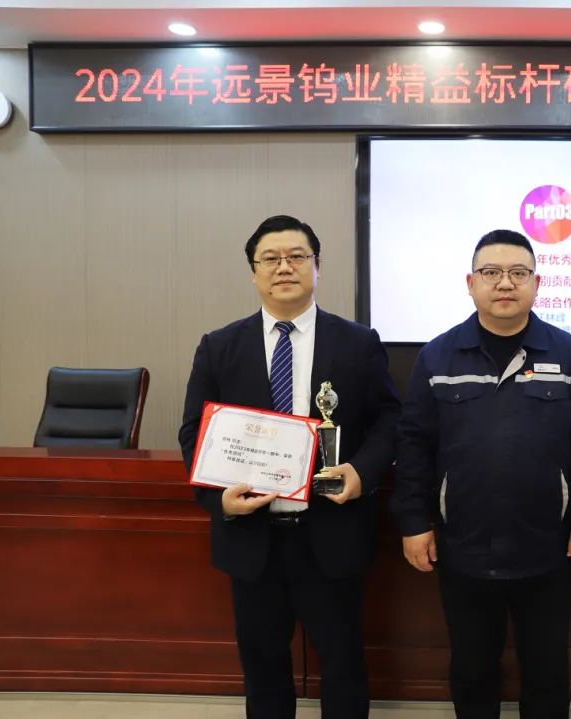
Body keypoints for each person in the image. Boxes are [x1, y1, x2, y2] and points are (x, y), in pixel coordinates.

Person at [179, 214, 400, 719]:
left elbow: (390, 420)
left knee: (343, 665)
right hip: (251, 535)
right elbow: (194, 434)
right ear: (253, 272)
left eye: (297, 257)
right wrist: (218, 500)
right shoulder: (219, 346)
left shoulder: (358, 342)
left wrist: (362, 472)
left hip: (331, 530)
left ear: (317, 267)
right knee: (262, 669)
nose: (284, 267)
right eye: (271, 259)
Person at [392, 229, 571, 718]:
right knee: (472, 671)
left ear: (537, 283)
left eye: (518, 273)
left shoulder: (569, 354)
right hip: (463, 546)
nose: (505, 283)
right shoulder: (438, 356)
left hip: (549, 547)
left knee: (547, 671)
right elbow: (414, 446)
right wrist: (414, 521)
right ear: (471, 283)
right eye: (491, 272)